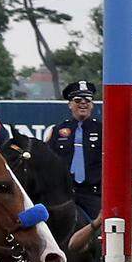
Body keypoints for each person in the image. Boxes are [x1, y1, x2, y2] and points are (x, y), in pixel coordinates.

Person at [47, 80, 103, 220]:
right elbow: (49, 162)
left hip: (93, 194)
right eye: (78, 100)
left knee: (97, 233)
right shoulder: (57, 131)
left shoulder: (103, 130)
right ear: (70, 104)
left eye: (87, 100)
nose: (83, 103)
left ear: (92, 104)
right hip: (65, 195)